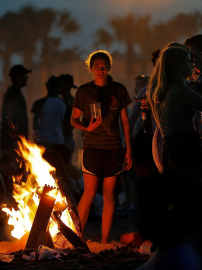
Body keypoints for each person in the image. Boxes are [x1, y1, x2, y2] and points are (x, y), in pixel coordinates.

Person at [71, 50, 133, 244]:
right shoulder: (83, 91)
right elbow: (73, 120)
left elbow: (125, 120)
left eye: (104, 66)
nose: (101, 70)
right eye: (97, 66)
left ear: (109, 68)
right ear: (91, 68)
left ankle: (104, 240)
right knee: (89, 192)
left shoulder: (119, 89)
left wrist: (128, 149)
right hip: (91, 147)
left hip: (114, 147)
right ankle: (75, 237)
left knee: (109, 195)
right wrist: (87, 127)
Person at [147, 45, 202, 174]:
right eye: (188, 61)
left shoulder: (163, 89)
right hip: (184, 146)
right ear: (178, 65)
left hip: (169, 146)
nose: (192, 64)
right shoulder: (180, 90)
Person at [0, 64, 31, 155]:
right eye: (25, 76)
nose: (27, 78)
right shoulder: (13, 94)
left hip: (16, 140)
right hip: (13, 142)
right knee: (14, 167)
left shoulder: (16, 93)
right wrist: (15, 138)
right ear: (19, 77)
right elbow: (8, 117)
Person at [31, 76, 66, 146]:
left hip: (43, 141)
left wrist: (36, 139)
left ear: (47, 86)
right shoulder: (64, 104)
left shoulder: (39, 103)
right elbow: (68, 123)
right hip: (58, 141)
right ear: (59, 88)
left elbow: (35, 123)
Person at [59, 74, 78, 161]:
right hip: (64, 138)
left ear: (65, 86)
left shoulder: (68, 102)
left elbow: (71, 124)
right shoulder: (70, 100)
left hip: (65, 139)